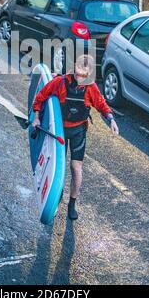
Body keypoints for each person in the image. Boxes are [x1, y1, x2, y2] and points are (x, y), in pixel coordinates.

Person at [32, 54, 119, 221]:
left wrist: (111, 120)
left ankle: (72, 203)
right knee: (59, 166)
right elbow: (40, 97)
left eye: (85, 74)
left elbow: (101, 105)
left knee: (76, 168)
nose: (81, 77)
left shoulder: (91, 87)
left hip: (78, 130)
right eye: (79, 72)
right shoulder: (60, 82)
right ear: (74, 68)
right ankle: (56, 196)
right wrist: (36, 117)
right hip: (59, 131)